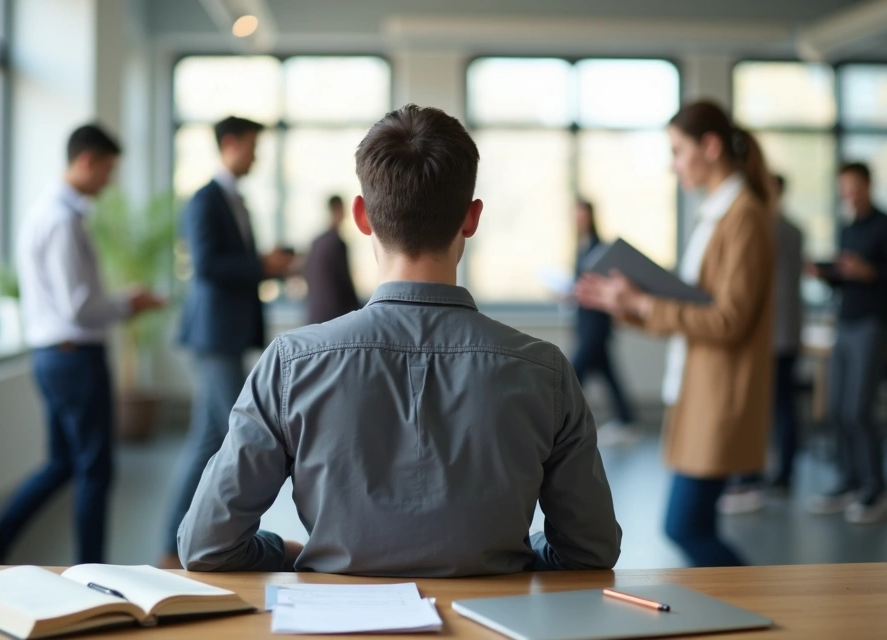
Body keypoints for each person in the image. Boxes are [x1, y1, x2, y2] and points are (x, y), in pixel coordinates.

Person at [177, 105, 622, 577]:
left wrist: (289, 555)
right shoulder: (545, 371)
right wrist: (518, 553)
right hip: (492, 616)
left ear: (361, 216)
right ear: (471, 218)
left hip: (337, 614)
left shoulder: (290, 365)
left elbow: (207, 544)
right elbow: (590, 549)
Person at [575, 100, 774, 568]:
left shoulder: (743, 216)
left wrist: (644, 303)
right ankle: (748, 604)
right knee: (693, 526)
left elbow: (728, 321)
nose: (673, 165)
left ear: (711, 147)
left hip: (718, 394)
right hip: (698, 387)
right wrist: (628, 304)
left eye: (678, 151)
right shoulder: (717, 214)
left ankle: (758, 603)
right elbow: (694, 309)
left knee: (684, 526)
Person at [0, 124, 165, 565]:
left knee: (62, 464)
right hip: (76, 358)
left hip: (54, 356)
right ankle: (92, 571)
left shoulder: (48, 212)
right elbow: (79, 308)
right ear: (87, 161)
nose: (109, 181)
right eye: (107, 170)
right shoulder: (63, 220)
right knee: (95, 469)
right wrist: (129, 304)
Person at [161, 116, 295, 569]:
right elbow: (207, 266)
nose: (257, 156)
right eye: (253, 147)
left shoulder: (236, 199)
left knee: (206, 440)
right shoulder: (205, 199)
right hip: (213, 334)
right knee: (235, 434)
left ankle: (170, 543)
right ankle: (203, 541)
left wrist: (264, 265)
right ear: (231, 144)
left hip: (228, 333)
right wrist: (263, 266)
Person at [806, 162, 887, 524]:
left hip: (871, 325)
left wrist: (869, 271)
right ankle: (849, 481)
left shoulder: (886, 224)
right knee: (836, 408)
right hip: (845, 324)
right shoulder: (848, 228)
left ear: (868, 186)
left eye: (854, 187)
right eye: (844, 188)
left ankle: (875, 489)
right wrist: (826, 274)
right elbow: (845, 278)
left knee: (858, 410)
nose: (848, 194)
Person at [718, 174, 806, 515]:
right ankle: (776, 475)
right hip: (784, 333)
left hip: (773, 335)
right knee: (780, 406)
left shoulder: (764, 226)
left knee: (769, 407)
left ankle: (755, 477)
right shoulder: (791, 230)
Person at [570, 199, 638, 446]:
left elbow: (603, 286)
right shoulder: (579, 246)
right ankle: (627, 420)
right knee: (609, 375)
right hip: (584, 323)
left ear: (590, 216)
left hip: (596, 326)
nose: (578, 219)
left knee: (573, 373)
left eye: (582, 214)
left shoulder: (599, 248)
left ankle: (562, 422)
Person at [303, 195, 361, 324]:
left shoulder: (317, 242)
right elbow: (345, 282)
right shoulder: (337, 243)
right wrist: (357, 309)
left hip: (316, 314)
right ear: (338, 209)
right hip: (335, 316)